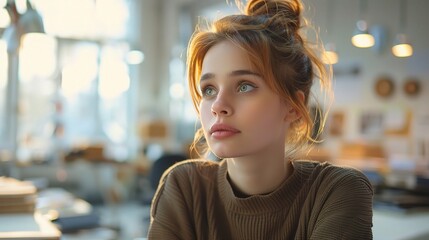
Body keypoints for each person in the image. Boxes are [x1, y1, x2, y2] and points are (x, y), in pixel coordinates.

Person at [148, 0, 373, 239]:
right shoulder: (184, 188)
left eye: (244, 86)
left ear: (293, 106)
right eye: (209, 89)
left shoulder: (336, 191)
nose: (218, 106)